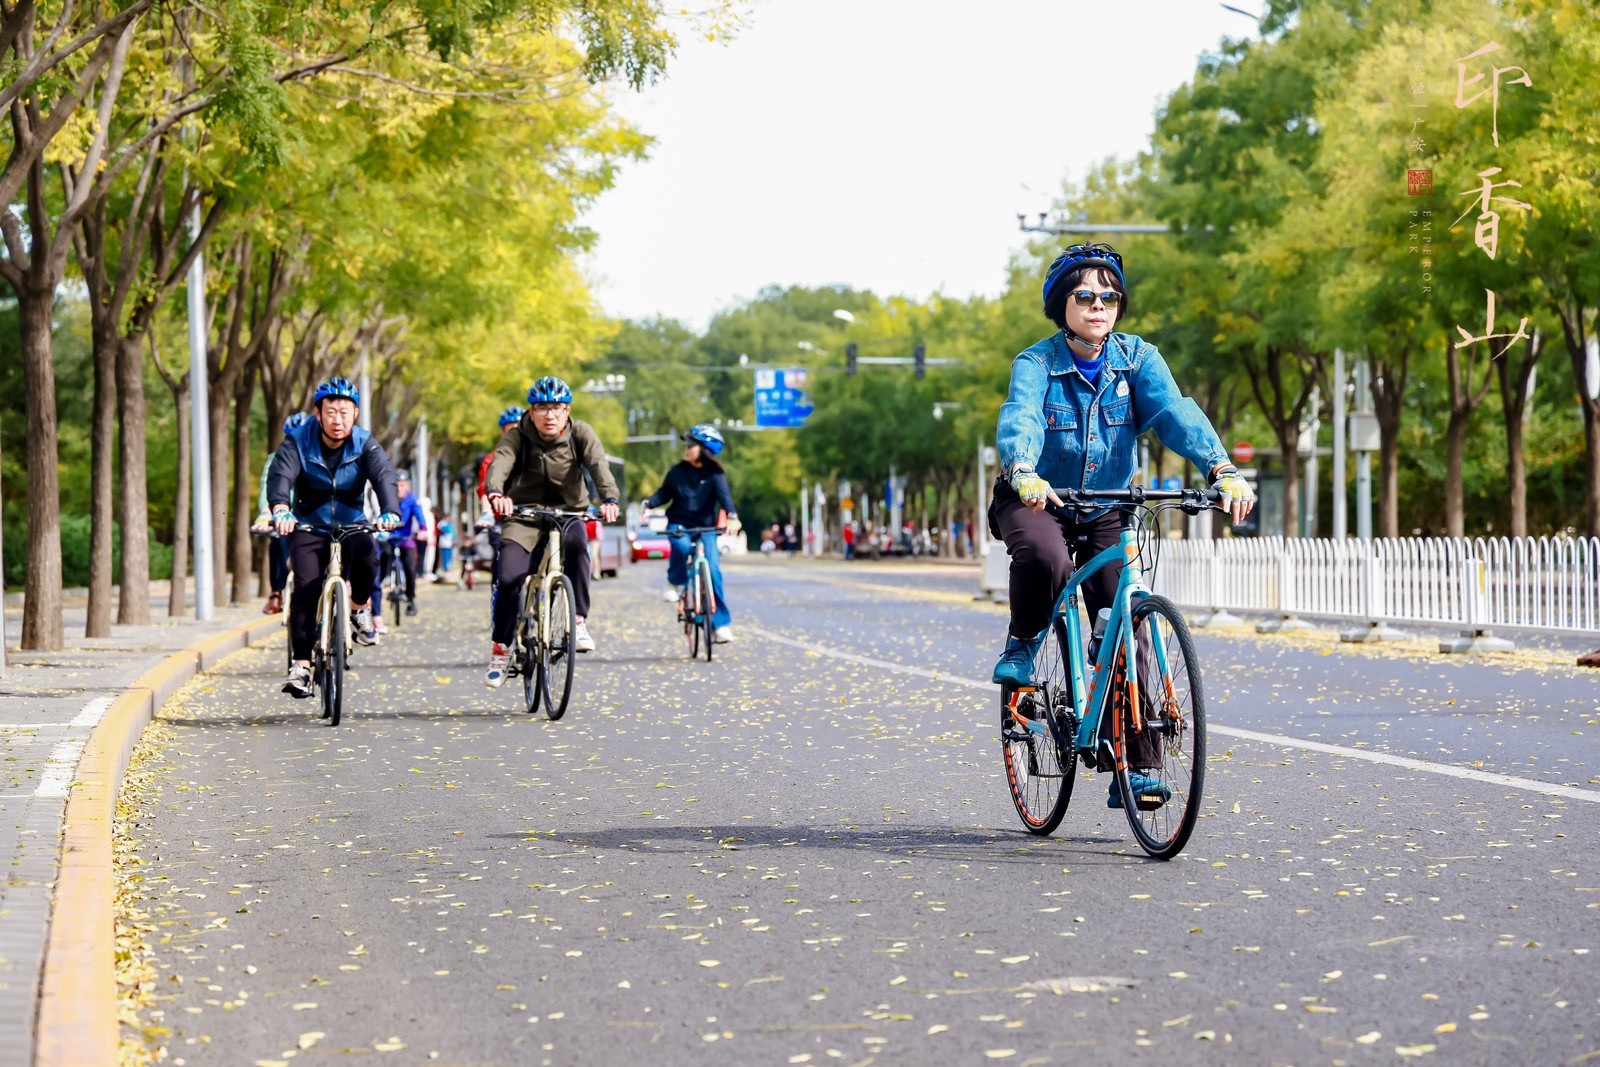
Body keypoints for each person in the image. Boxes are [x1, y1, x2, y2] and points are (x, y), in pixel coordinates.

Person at [990, 242, 1255, 808]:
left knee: (1130, 620)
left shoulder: (1137, 359)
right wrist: (1025, 471)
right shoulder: (1036, 364)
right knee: (1048, 559)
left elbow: (1173, 413)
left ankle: (1139, 766)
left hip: (1108, 507)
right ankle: (1024, 640)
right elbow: (1022, 419)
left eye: (1109, 297)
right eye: (1085, 296)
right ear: (1062, 303)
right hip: (1037, 499)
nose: (1098, 306)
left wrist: (1222, 469)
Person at [266, 377, 400, 698]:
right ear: (317, 413)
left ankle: (357, 609)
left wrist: (389, 512)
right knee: (306, 587)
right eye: (330, 412)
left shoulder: (366, 443)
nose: (337, 420)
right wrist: (281, 508)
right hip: (310, 524)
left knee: (369, 556)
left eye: (344, 412)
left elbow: (384, 475)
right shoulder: (298, 441)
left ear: (355, 414)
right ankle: (301, 666)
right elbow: (281, 475)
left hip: (352, 521)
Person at [482, 377, 620, 686]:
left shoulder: (580, 433)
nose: (550, 415)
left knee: (577, 549)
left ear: (567, 410)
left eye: (557, 408)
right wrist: (496, 494)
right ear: (531, 412)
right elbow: (500, 463)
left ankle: (579, 620)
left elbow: (599, 465)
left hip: (570, 511)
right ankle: (501, 647)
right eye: (542, 408)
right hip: (523, 514)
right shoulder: (518, 436)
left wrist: (609, 499)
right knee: (508, 579)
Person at [643, 424, 740, 643]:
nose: (686, 449)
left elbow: (725, 499)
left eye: (691, 445)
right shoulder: (677, 471)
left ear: (704, 449)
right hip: (679, 523)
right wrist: (648, 503)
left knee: (714, 572)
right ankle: (675, 581)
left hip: (706, 527)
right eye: (686, 444)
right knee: (681, 546)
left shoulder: (715, 475)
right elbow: (663, 494)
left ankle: (721, 626)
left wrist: (733, 516)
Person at [253, 412, 314, 614]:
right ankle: (276, 593)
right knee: (277, 541)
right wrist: (265, 512)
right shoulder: (277, 458)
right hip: (285, 512)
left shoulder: (319, 454)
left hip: (312, 514)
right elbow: (266, 485)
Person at [387, 470, 427, 616]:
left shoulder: (412, 499)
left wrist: (423, 529)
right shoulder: (388, 498)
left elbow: (419, 515)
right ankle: (386, 582)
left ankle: (410, 599)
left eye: (402, 485)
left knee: (410, 568)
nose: (399, 489)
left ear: (407, 486)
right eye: (396, 486)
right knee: (382, 558)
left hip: (406, 539)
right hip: (389, 538)